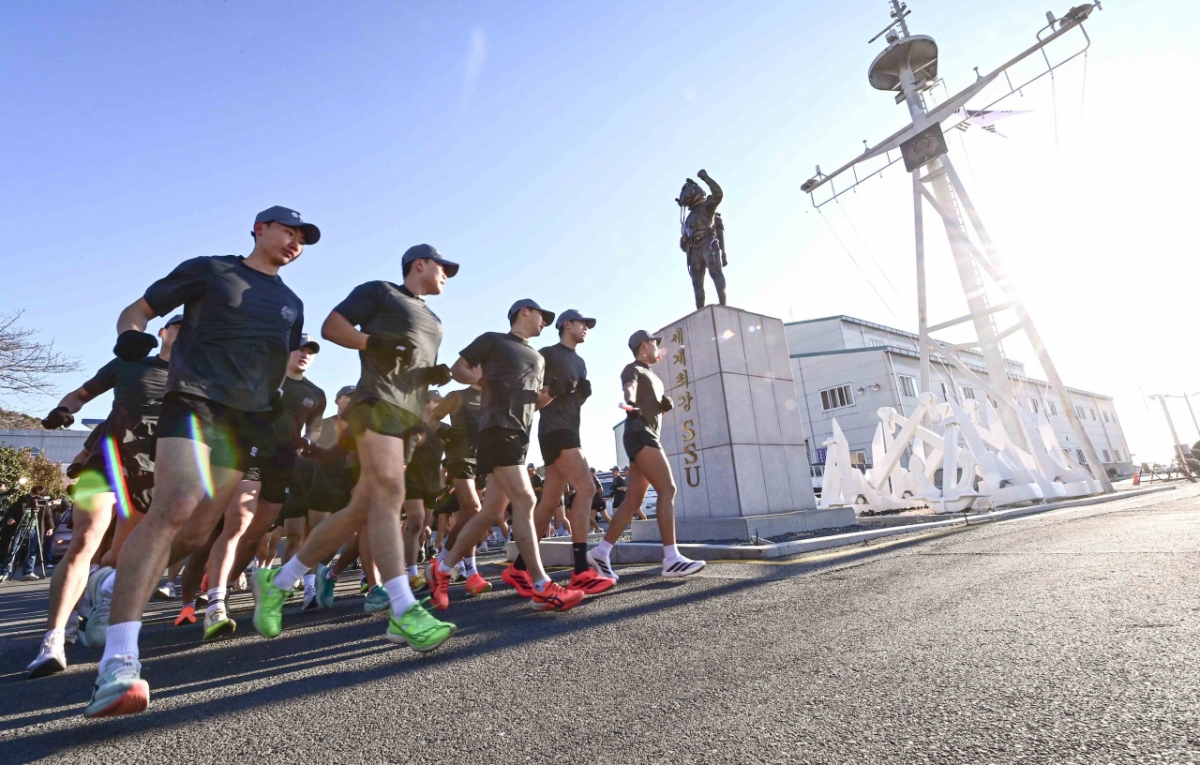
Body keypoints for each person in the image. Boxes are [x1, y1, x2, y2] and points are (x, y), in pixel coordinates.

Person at [82, 205, 316, 719]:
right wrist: (129, 336)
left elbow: (276, 361)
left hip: (247, 418)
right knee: (177, 503)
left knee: (196, 534)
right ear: (260, 228)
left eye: (303, 237)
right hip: (194, 399)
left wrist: (274, 397)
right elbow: (138, 309)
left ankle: (109, 583)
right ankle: (118, 664)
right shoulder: (212, 270)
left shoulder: (291, 302)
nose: (295, 241)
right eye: (288, 230)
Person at [249, 244, 458, 652]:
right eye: (442, 266)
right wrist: (373, 343)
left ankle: (280, 581)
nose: (447, 274)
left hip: (409, 415)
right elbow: (333, 327)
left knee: (361, 508)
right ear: (419, 264)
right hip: (375, 404)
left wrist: (428, 374)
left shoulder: (433, 317)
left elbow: (407, 366)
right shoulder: (381, 291)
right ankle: (403, 608)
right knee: (390, 494)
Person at [25, 316, 179, 679]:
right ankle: (54, 639)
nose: (186, 332)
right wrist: (65, 411)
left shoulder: (198, 378)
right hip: (106, 461)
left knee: (120, 555)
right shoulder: (129, 365)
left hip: (151, 473)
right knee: (84, 541)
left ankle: (98, 586)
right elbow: (80, 395)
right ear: (162, 332)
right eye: (178, 325)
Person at [428, 299, 584, 613]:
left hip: (519, 434)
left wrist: (554, 392)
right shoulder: (494, 340)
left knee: (490, 513)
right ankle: (541, 585)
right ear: (524, 311)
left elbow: (534, 403)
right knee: (525, 501)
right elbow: (459, 369)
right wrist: (485, 382)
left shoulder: (538, 358)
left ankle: (442, 568)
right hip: (496, 429)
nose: (545, 322)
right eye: (542, 315)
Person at [198, 335, 326, 639]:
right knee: (238, 523)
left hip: (282, 464)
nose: (304, 355)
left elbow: (316, 427)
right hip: (249, 454)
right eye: (299, 348)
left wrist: (309, 442)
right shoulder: (261, 378)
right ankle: (215, 603)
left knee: (255, 536)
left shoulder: (315, 394)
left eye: (310, 351)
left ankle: (224, 587)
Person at [587, 330, 705, 582]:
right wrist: (630, 404)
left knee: (633, 501)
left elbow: (649, 400)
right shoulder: (633, 369)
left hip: (645, 433)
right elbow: (629, 389)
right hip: (640, 434)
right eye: (654, 344)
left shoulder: (654, 376)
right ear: (643, 346)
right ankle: (671, 558)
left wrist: (661, 405)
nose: (658, 349)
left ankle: (601, 551)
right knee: (668, 489)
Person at [523, 308, 613, 590]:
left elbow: (571, 402)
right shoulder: (546, 354)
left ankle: (519, 567)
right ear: (566, 325)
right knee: (586, 488)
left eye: (588, 324)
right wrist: (554, 391)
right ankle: (581, 570)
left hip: (570, 430)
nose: (586, 327)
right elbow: (531, 401)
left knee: (549, 503)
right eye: (582, 323)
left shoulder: (581, 362)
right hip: (555, 431)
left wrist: (581, 395)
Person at [431, 384, 490, 596]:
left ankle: (442, 565)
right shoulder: (456, 396)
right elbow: (431, 419)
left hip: (482, 458)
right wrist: (444, 430)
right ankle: (463, 569)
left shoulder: (492, 395)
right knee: (475, 511)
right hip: (459, 457)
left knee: (467, 516)